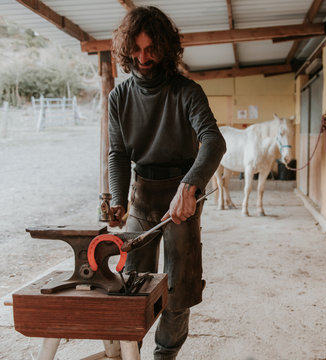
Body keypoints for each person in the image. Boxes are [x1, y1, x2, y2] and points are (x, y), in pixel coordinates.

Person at [107, 6, 226, 359]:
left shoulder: (187, 91)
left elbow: (214, 141)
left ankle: (166, 356)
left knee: (179, 287)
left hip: (181, 199)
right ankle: (132, 353)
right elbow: (117, 154)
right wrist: (118, 199)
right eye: (137, 49)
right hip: (141, 198)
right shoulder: (119, 97)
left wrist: (190, 186)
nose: (144, 58)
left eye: (151, 49)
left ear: (166, 47)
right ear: (127, 49)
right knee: (132, 284)